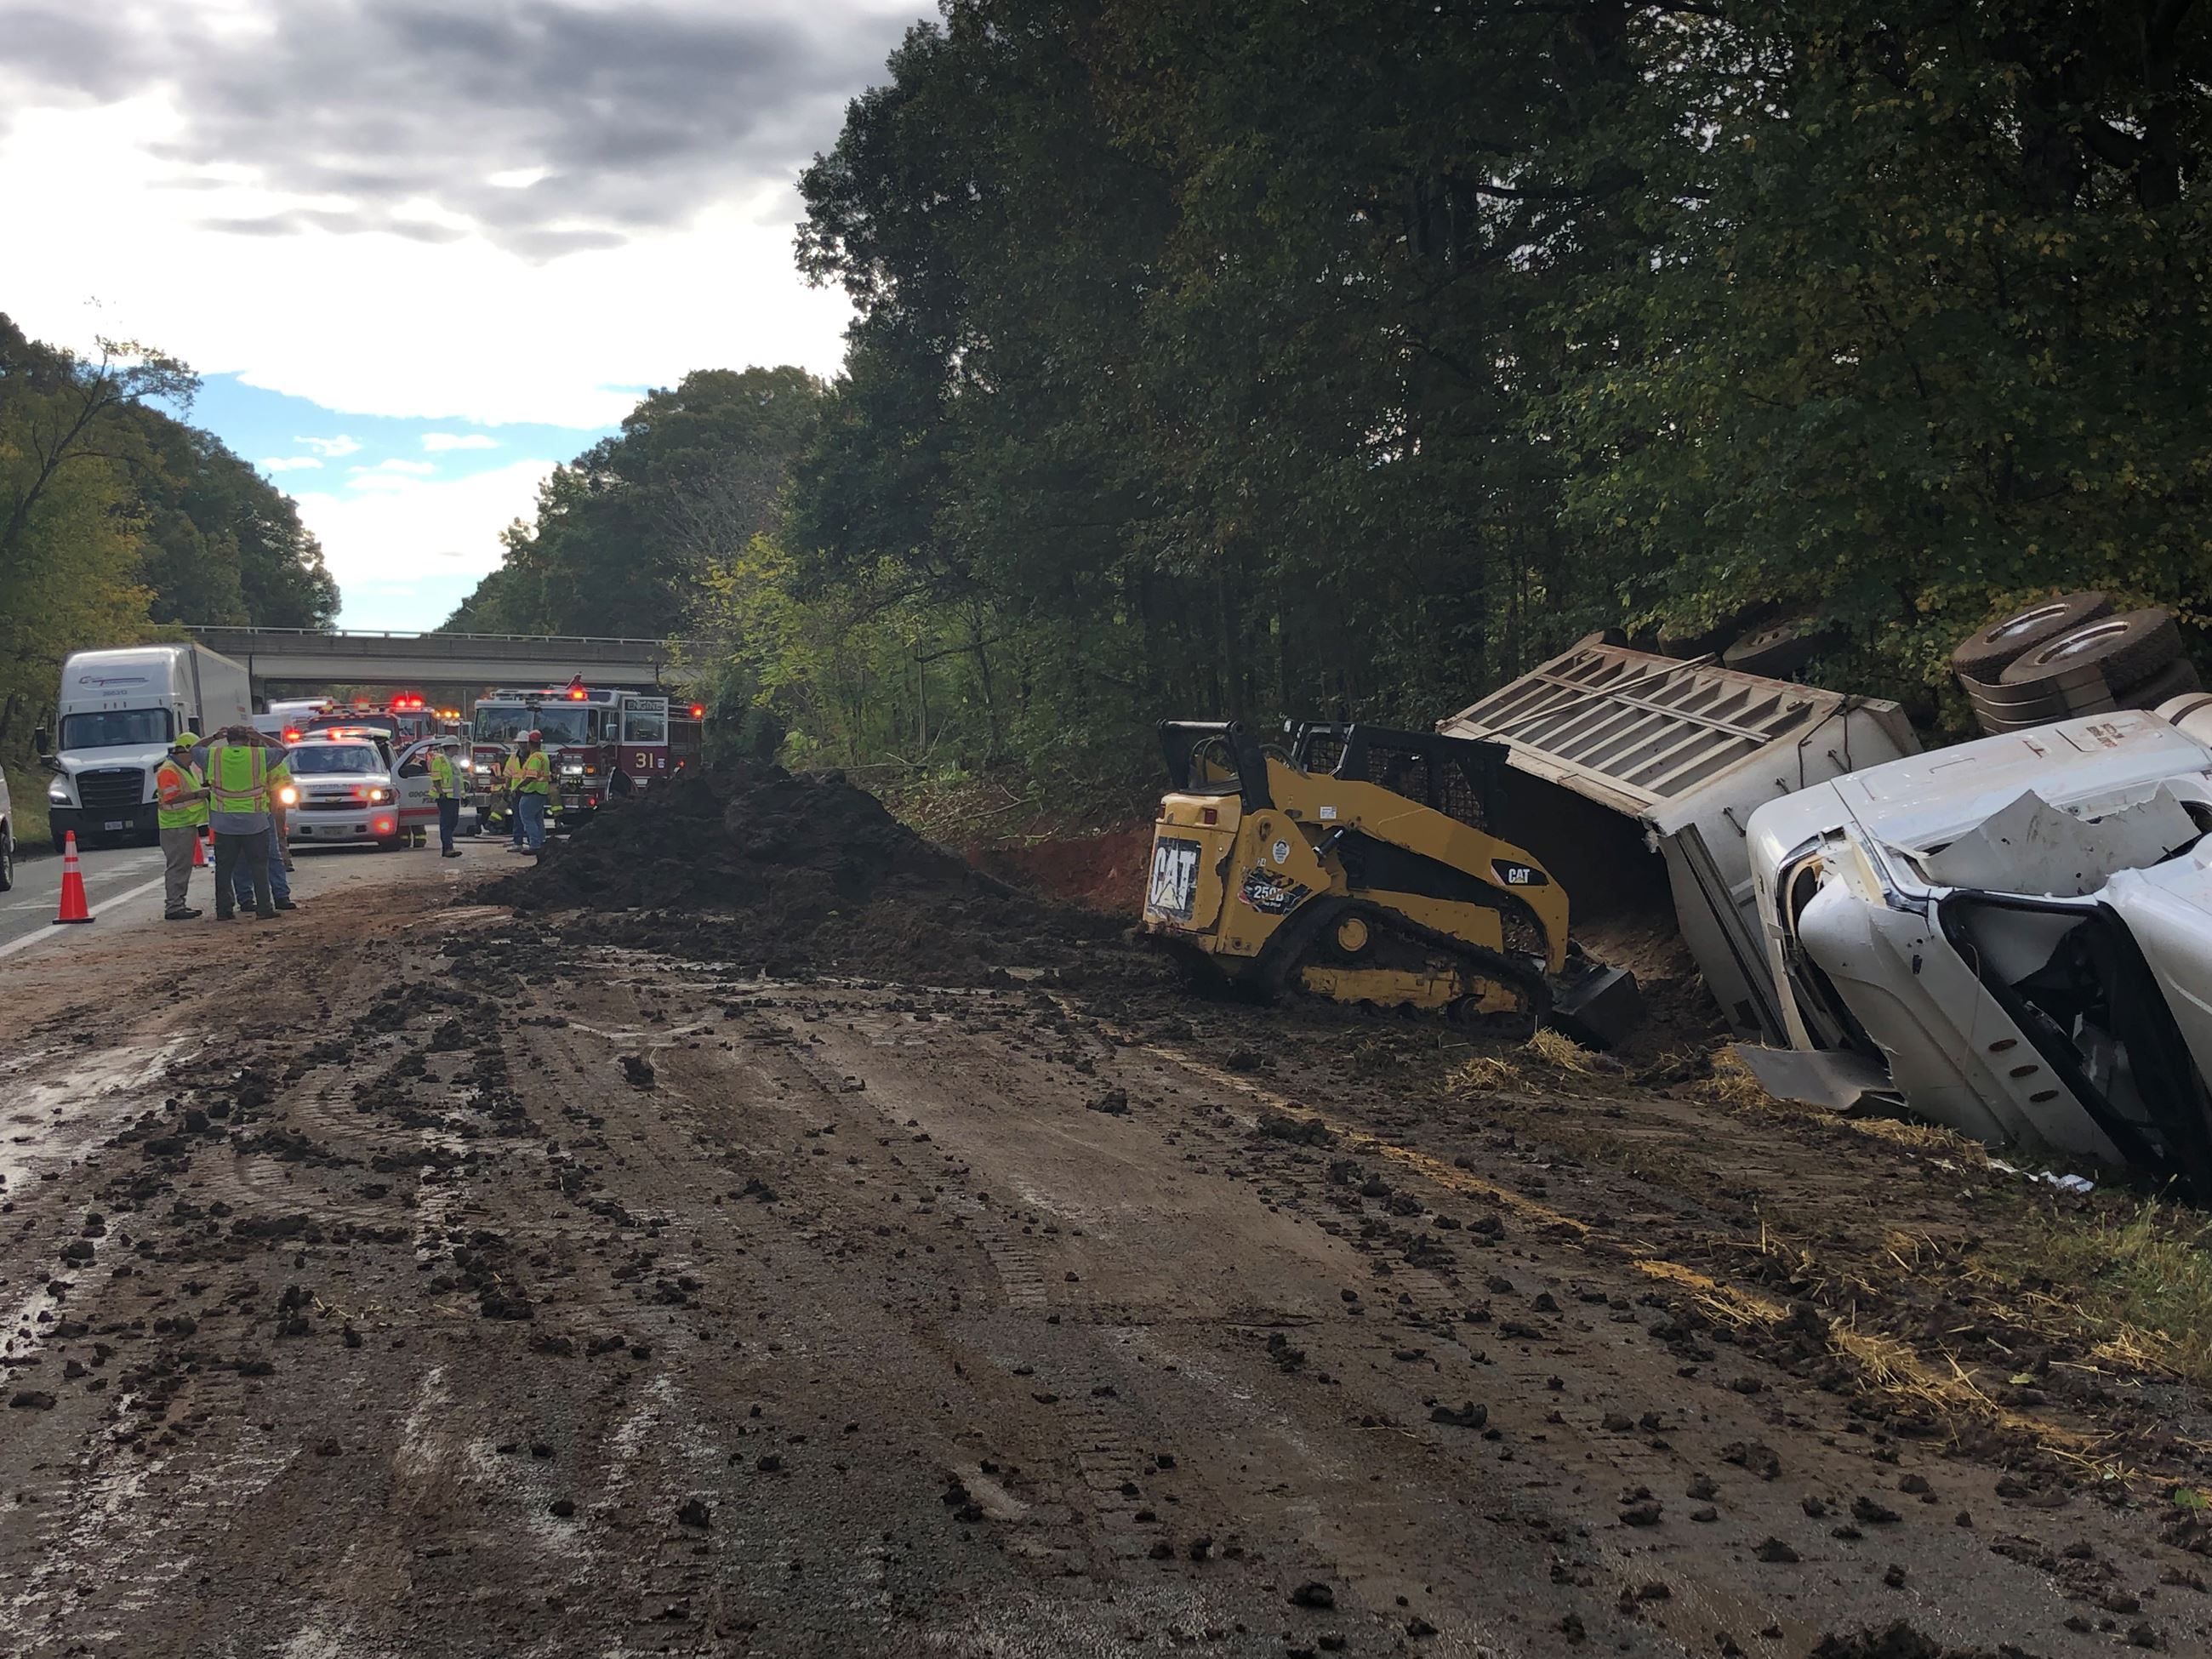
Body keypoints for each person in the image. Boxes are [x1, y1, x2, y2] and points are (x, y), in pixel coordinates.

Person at [202, 725, 278, 921]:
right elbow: (283, 750)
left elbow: (193, 749)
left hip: (224, 822)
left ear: (227, 738)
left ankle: (224, 910)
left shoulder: (214, 756)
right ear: (248, 738)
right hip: (254, 821)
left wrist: (213, 736)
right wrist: (261, 736)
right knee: (259, 866)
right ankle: (264, 908)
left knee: (224, 867)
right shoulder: (259, 756)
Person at [232, 733, 297, 913]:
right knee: (270, 856)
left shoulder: (232, 760)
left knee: (245, 858)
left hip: (242, 814)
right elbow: (282, 753)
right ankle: (279, 896)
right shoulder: (264, 758)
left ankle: (248, 899)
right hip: (261, 812)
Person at [154, 732, 209, 921]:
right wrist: (199, 795)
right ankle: (174, 906)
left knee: (182, 867)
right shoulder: (170, 770)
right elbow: (171, 797)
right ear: (186, 750)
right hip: (175, 825)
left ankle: (178, 904)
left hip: (183, 823)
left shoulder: (182, 768)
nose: (195, 760)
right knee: (178, 867)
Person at [514, 730, 551, 856]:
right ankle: (541, 842)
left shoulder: (535, 758)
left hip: (532, 792)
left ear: (530, 743)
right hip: (541, 792)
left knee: (528, 819)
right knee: (538, 819)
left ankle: (535, 845)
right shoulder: (544, 756)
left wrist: (518, 787)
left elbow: (531, 777)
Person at [427, 738, 464, 858]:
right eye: (456, 747)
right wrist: (441, 793)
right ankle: (448, 848)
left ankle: (449, 846)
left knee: (453, 822)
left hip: (454, 797)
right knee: (447, 823)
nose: (458, 749)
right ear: (450, 747)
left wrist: (463, 796)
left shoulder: (453, 761)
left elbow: (457, 780)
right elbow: (436, 778)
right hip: (446, 797)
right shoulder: (439, 760)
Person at [499, 745, 527, 850]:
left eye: (524, 743)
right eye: (521, 743)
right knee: (517, 817)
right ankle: (518, 842)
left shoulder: (535, 757)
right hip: (517, 792)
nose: (523, 746)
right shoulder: (513, 758)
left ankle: (533, 843)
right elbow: (508, 775)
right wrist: (507, 789)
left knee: (530, 819)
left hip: (530, 791)